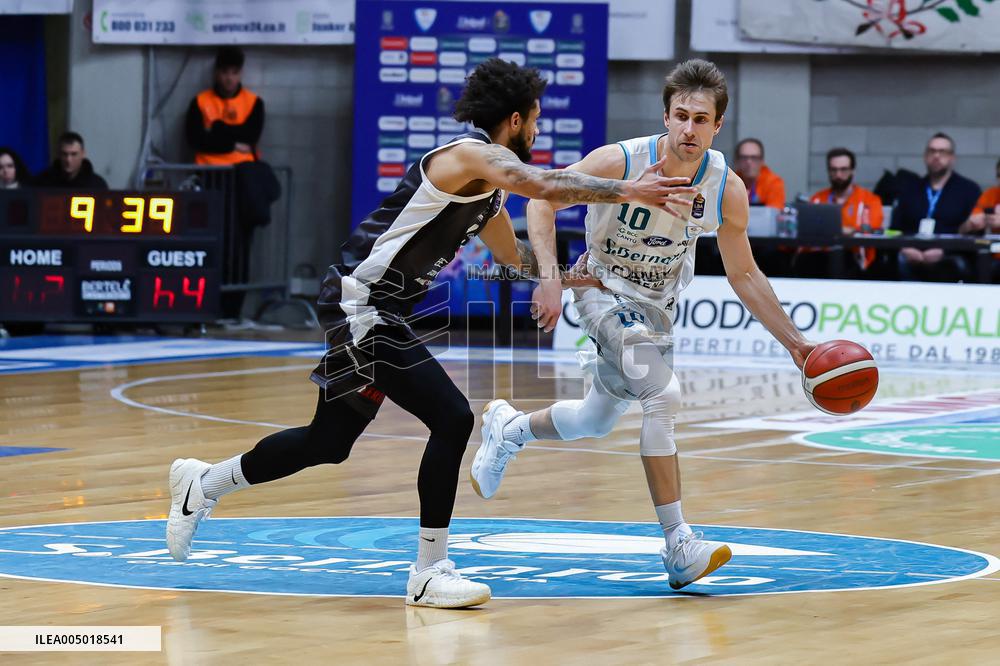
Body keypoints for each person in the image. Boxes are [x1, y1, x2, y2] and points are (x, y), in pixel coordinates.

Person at [166, 58, 694, 609]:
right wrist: (632, 190)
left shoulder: (487, 189)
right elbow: (542, 183)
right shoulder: (470, 155)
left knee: (329, 442)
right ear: (515, 119)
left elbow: (507, 255)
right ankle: (428, 568)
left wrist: (558, 277)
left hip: (380, 311)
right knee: (453, 417)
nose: (538, 130)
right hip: (362, 302)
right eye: (535, 119)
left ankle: (203, 484)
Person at [470, 59, 817, 591]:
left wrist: (797, 345)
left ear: (718, 125)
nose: (688, 129)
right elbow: (542, 201)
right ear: (666, 115)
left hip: (658, 310)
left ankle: (509, 428)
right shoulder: (619, 161)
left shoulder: (726, 186)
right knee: (664, 394)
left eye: (701, 120)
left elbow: (743, 273)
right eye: (680, 116)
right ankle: (678, 543)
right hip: (603, 295)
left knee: (595, 420)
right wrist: (549, 278)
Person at [892, 133, 981, 282]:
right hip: (911, 252)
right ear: (925, 156)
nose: (936, 156)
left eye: (943, 152)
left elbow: (975, 234)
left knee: (957, 265)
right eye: (932, 151)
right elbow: (894, 228)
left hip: (950, 255)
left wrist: (943, 250)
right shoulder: (910, 189)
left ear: (952, 158)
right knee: (896, 262)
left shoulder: (969, 190)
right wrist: (905, 248)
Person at [804, 147, 885, 276]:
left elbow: (872, 228)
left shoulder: (870, 200)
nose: (838, 175)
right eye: (833, 170)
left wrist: (842, 230)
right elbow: (807, 229)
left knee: (839, 257)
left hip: (856, 260)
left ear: (852, 170)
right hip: (819, 258)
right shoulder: (817, 199)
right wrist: (843, 230)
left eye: (843, 170)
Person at [185, 46, 264, 165]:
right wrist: (233, 145)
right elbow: (196, 141)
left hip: (244, 169)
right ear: (217, 73)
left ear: (241, 73)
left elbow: (250, 137)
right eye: (225, 72)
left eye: (235, 72)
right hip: (208, 169)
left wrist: (217, 128)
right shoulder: (199, 102)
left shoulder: (254, 102)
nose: (229, 78)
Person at [33, 132, 109, 190]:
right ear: (58, 154)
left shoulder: (97, 185)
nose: (68, 160)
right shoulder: (41, 183)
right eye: (64, 154)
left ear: (83, 154)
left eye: (74, 154)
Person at [734, 137, 785, 209]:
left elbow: (773, 215)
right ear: (737, 161)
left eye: (754, 157)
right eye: (744, 157)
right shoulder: (729, 182)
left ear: (762, 161)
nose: (749, 162)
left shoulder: (774, 182)